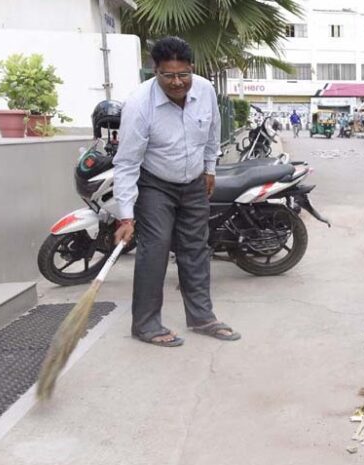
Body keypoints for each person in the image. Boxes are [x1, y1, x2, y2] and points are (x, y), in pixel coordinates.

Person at [113, 36, 241, 347]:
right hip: (156, 183)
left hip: (195, 181)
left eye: (183, 74)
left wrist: (209, 168)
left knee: (196, 249)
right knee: (154, 251)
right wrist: (125, 216)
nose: (176, 82)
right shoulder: (139, 105)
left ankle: (202, 317)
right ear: (154, 71)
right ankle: (145, 324)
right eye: (167, 75)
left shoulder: (205, 90)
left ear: (191, 69)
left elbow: (212, 131)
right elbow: (127, 162)